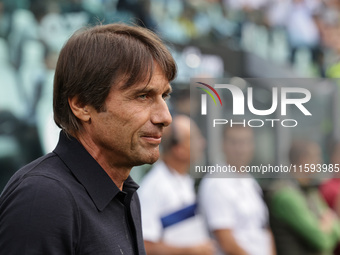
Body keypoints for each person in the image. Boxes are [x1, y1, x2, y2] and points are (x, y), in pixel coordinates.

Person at [0, 23, 177, 254]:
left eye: (164, 95)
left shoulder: (125, 194)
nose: (165, 117)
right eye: (142, 96)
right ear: (82, 105)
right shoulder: (43, 198)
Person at [138, 114, 215, 255]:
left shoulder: (183, 179)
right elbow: (145, 245)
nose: (202, 143)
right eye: (194, 139)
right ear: (178, 149)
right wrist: (190, 251)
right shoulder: (154, 187)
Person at [199, 125, 276, 255]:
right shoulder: (216, 182)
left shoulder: (250, 181)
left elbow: (263, 229)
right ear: (222, 145)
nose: (241, 149)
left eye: (246, 142)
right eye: (234, 143)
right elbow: (225, 240)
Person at [268, 139, 340, 255]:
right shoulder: (286, 195)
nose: (320, 162)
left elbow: (338, 228)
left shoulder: (309, 191)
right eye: (316, 157)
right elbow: (322, 241)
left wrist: (326, 225)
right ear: (304, 160)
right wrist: (327, 223)